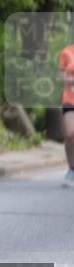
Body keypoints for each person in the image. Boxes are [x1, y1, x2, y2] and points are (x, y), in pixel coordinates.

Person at [59, 43, 74, 188]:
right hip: (70, 99)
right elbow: (61, 76)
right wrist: (71, 80)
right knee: (69, 134)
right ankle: (71, 169)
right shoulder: (67, 52)